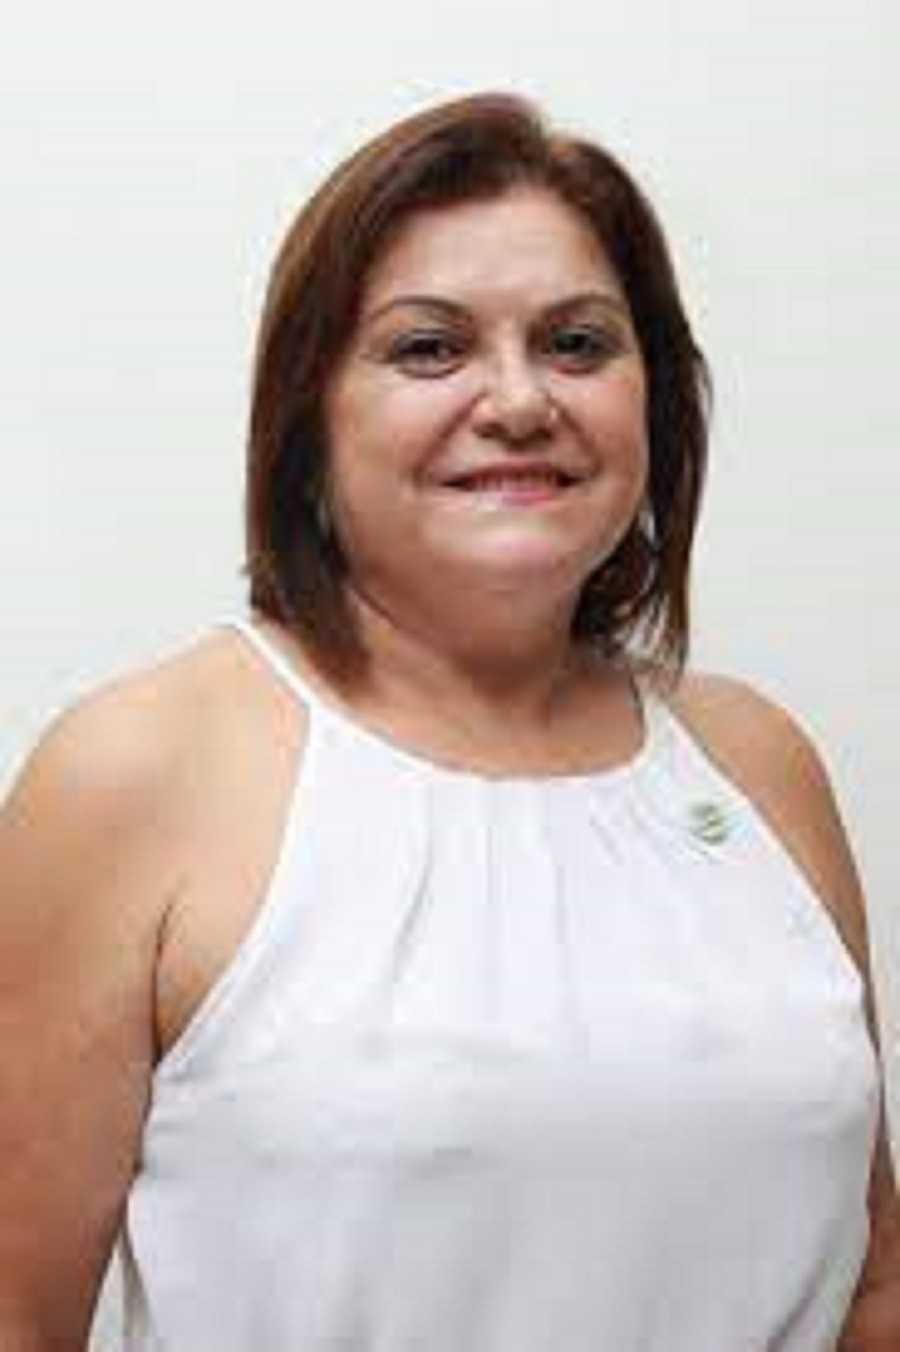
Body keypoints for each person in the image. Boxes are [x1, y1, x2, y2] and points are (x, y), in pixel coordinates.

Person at [1, 91, 897, 1351]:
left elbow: (871, 1288)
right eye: (430, 348)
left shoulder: (757, 763)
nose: (520, 400)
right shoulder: (135, 774)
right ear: (309, 417)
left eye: (578, 344)